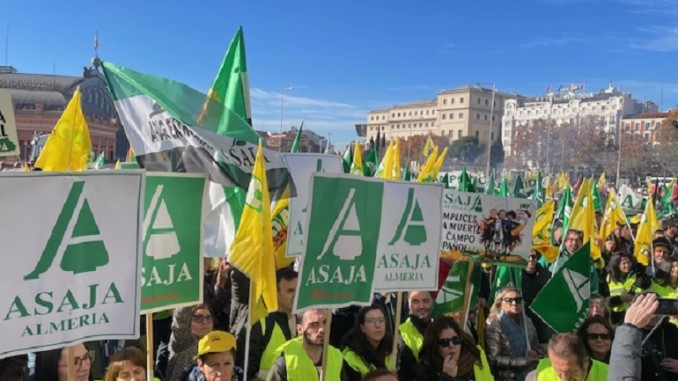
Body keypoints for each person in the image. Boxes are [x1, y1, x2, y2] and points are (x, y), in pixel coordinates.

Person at [236, 266, 298, 380]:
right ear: (275, 293)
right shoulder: (260, 325)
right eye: (290, 291)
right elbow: (244, 373)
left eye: (299, 290)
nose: (296, 295)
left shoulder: (309, 321)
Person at [267, 309, 345, 381]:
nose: (322, 329)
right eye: (314, 324)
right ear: (300, 329)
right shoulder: (286, 361)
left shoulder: (336, 357)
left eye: (325, 322)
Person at [485, 287, 542, 381]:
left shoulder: (527, 321)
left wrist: (535, 354)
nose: (514, 303)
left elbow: (537, 348)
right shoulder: (495, 324)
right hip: (508, 377)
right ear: (500, 303)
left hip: (532, 374)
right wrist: (523, 362)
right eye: (509, 300)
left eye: (518, 300)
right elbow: (494, 359)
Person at [415, 316, 493, 380]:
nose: (451, 345)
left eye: (455, 340)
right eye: (445, 342)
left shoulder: (474, 356)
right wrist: (447, 377)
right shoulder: (426, 370)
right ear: (436, 347)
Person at [608, 293, 659, 380]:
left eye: (657, 309)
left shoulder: (670, 330)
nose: (653, 314)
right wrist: (630, 327)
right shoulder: (621, 333)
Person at [342, 304, 395, 381]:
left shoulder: (392, 349)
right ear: (362, 328)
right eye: (371, 321)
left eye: (381, 320)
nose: (377, 325)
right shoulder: (351, 357)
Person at [525, 333, 608, 381]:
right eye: (558, 372)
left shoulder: (610, 374)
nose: (565, 379)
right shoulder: (538, 376)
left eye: (570, 372)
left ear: (585, 363)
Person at [166, 305, 215, 381]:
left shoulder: (217, 346)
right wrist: (189, 297)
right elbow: (181, 321)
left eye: (208, 318)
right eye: (198, 318)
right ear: (188, 322)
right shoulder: (183, 342)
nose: (205, 322)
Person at [398, 290, 434, 381]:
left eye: (425, 301)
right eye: (416, 301)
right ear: (409, 305)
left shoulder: (442, 327)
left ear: (432, 303)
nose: (421, 306)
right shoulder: (400, 332)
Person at [607, 252, 649, 324]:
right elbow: (605, 299)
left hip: (635, 315)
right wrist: (621, 299)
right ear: (616, 265)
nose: (627, 265)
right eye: (624, 263)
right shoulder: (609, 278)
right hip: (616, 318)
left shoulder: (640, 277)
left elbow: (647, 293)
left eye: (629, 262)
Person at [521, 251, 553, 345]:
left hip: (542, 320)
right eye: (528, 256)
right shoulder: (516, 276)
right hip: (524, 318)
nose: (530, 259)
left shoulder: (547, 275)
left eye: (533, 257)